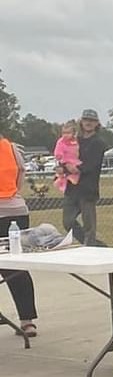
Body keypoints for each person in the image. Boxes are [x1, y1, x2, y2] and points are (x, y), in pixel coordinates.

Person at [0, 134, 37, 337]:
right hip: (16, 209)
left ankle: (26, 319)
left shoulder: (11, 148)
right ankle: (27, 321)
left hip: (9, 213)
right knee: (16, 269)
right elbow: (20, 174)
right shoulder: (12, 148)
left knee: (14, 268)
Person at [62, 109, 106, 245]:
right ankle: (96, 246)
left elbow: (92, 164)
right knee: (67, 221)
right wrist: (63, 167)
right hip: (72, 187)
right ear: (81, 122)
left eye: (92, 121)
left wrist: (77, 169)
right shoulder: (75, 141)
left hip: (88, 189)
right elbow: (65, 156)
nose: (88, 123)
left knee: (89, 225)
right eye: (86, 120)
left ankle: (91, 248)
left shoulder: (98, 142)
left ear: (96, 123)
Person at [53, 121, 81, 195]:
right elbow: (58, 151)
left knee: (76, 170)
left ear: (74, 133)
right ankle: (63, 181)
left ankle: (72, 178)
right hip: (64, 160)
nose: (65, 135)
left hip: (76, 161)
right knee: (62, 171)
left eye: (68, 133)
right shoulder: (61, 142)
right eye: (64, 133)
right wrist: (59, 155)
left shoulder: (77, 141)